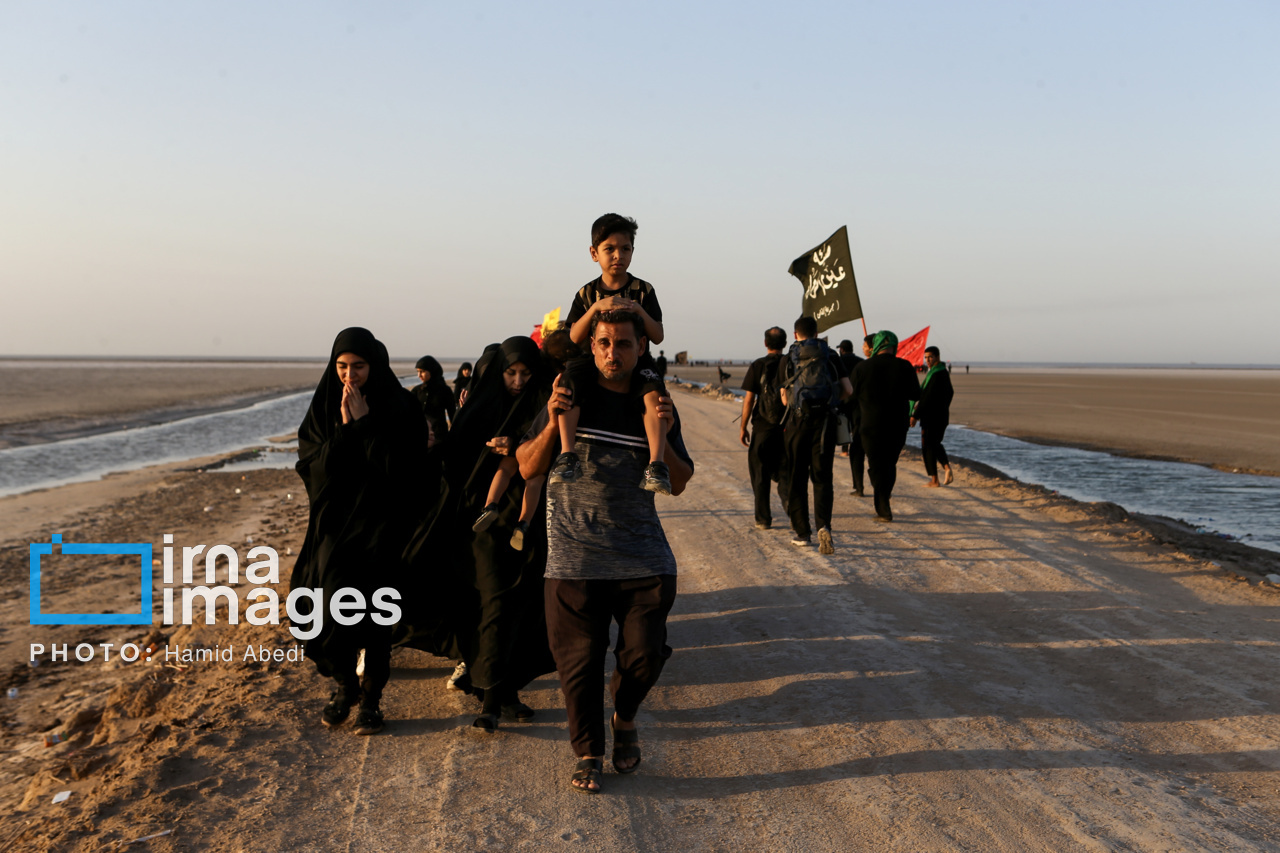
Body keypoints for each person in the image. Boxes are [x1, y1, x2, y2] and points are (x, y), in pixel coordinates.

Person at [516, 310, 694, 794]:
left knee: (645, 655)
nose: (613, 353)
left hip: (642, 555)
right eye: (604, 343)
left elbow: (679, 481)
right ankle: (588, 754)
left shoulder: (652, 402)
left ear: (641, 349)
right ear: (591, 347)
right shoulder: (569, 395)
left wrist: (667, 432)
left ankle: (625, 715)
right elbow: (527, 466)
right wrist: (552, 424)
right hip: (573, 556)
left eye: (624, 344)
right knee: (578, 664)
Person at [291, 327, 432, 736]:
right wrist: (346, 428)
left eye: (359, 366)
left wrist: (367, 424)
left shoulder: (400, 407)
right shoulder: (324, 406)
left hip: (383, 526)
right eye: (342, 366)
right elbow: (314, 468)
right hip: (334, 526)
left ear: (375, 365)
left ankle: (371, 700)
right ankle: (345, 685)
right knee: (328, 607)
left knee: (376, 613)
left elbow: (403, 472)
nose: (349, 375)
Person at [552, 213, 671, 494]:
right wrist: (596, 308)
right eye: (610, 249)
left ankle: (656, 464)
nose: (618, 255)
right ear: (594, 253)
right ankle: (567, 455)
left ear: (633, 251)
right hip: (590, 360)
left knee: (654, 393)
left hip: (635, 360)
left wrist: (638, 310)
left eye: (625, 248)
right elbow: (574, 336)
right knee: (568, 385)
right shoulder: (586, 293)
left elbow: (658, 335)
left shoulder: (643, 290)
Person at [778, 316, 852, 553]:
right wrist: (831, 402)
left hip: (797, 424)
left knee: (797, 478)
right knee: (822, 478)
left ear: (795, 334)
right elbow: (848, 389)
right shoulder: (830, 355)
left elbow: (784, 398)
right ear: (817, 333)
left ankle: (802, 533)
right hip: (825, 424)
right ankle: (824, 526)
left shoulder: (788, 357)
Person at [850, 331, 922, 522]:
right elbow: (916, 394)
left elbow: (850, 396)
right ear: (894, 346)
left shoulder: (862, 367)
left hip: (870, 424)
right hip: (897, 424)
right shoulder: (905, 366)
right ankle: (884, 497)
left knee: (876, 464)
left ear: (876, 345)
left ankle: (883, 506)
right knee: (889, 464)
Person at [739, 327, 788, 529]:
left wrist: (743, 426)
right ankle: (793, 511)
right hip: (787, 426)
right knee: (786, 472)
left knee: (760, 474)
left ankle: (763, 518)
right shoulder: (790, 363)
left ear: (765, 343)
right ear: (784, 343)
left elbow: (749, 399)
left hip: (762, 427)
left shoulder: (758, 365)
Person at [911, 345, 955, 487]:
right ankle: (946, 468)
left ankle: (935, 479)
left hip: (931, 417)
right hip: (941, 416)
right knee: (934, 443)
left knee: (928, 446)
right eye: (926, 357)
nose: (928, 360)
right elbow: (949, 393)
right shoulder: (942, 372)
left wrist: (915, 415)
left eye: (930, 357)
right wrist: (943, 406)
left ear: (937, 357)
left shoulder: (936, 374)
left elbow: (926, 398)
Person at [836, 339, 866, 497]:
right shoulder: (862, 362)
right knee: (858, 435)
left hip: (844, 402)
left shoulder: (838, 361)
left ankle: (844, 449)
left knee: (844, 430)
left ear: (841, 349)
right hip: (861, 406)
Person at [410, 355, 457, 439]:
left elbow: (452, 414)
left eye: (422, 371)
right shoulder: (416, 390)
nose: (419, 375)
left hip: (439, 436)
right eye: (418, 371)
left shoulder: (444, 390)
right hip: (420, 435)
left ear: (431, 371)